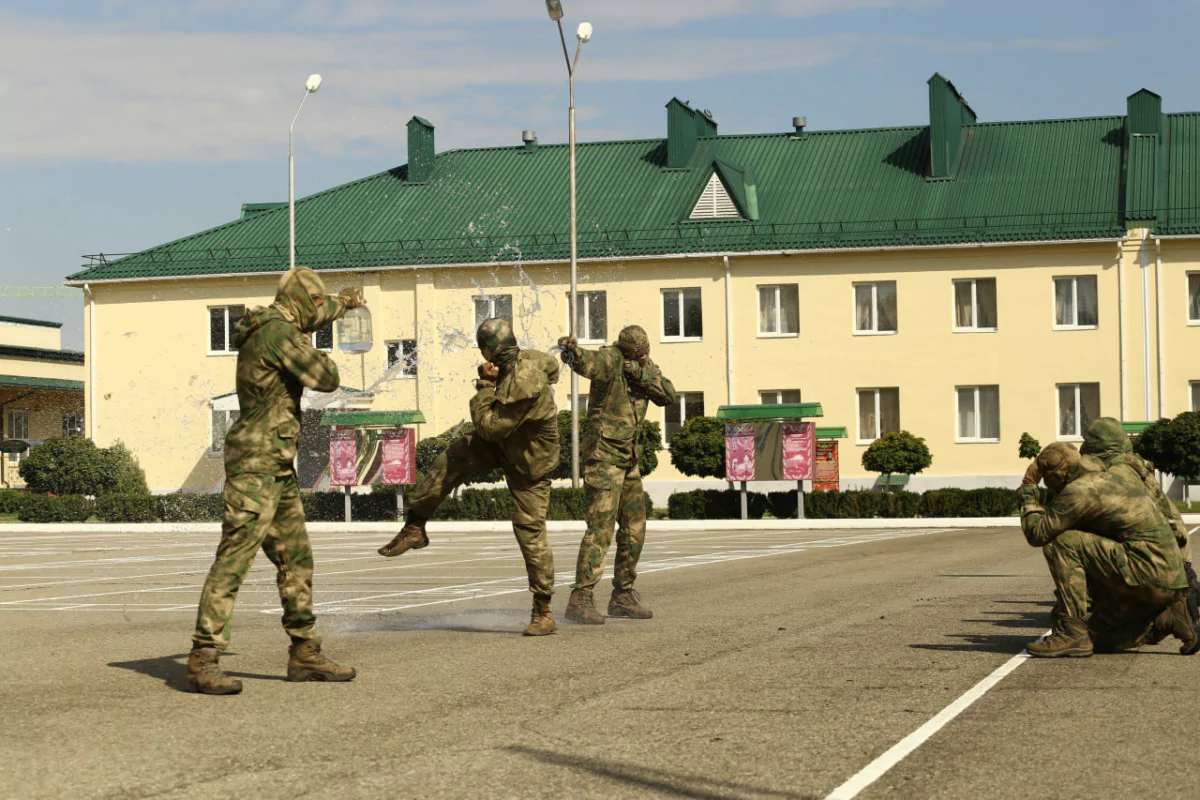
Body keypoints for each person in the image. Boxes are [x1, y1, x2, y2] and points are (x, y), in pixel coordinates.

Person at [189, 267, 363, 695]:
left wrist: (346, 304)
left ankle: (304, 654)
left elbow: (318, 314)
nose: (320, 312)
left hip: (277, 467)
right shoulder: (278, 335)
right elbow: (326, 378)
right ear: (303, 303)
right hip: (255, 465)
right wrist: (315, 339)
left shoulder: (280, 322)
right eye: (317, 304)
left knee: (297, 560)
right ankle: (202, 658)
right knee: (235, 559)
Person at [377, 318, 561, 636]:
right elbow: (554, 366)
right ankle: (415, 527)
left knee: (528, 527)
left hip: (530, 462)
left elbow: (488, 428)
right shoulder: (530, 357)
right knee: (451, 459)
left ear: (492, 351)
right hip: (505, 445)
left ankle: (543, 611)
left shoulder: (523, 384)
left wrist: (485, 387)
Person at [1018, 442, 1199, 658]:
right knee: (1096, 637)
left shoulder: (1080, 490)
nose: (1049, 488)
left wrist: (1029, 487)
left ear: (1056, 475)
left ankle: (1071, 633)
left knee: (1061, 542)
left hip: (1146, 571)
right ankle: (1167, 620)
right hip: (1166, 576)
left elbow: (1037, 534)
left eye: (1047, 481)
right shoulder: (1109, 478)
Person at [557, 325, 676, 625]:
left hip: (629, 459)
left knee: (635, 529)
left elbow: (668, 396)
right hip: (603, 458)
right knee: (600, 528)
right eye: (639, 353)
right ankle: (580, 598)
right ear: (626, 350)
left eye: (646, 351)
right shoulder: (611, 359)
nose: (645, 356)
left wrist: (640, 372)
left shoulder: (645, 366)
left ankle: (622, 595)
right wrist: (573, 353)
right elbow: (589, 363)